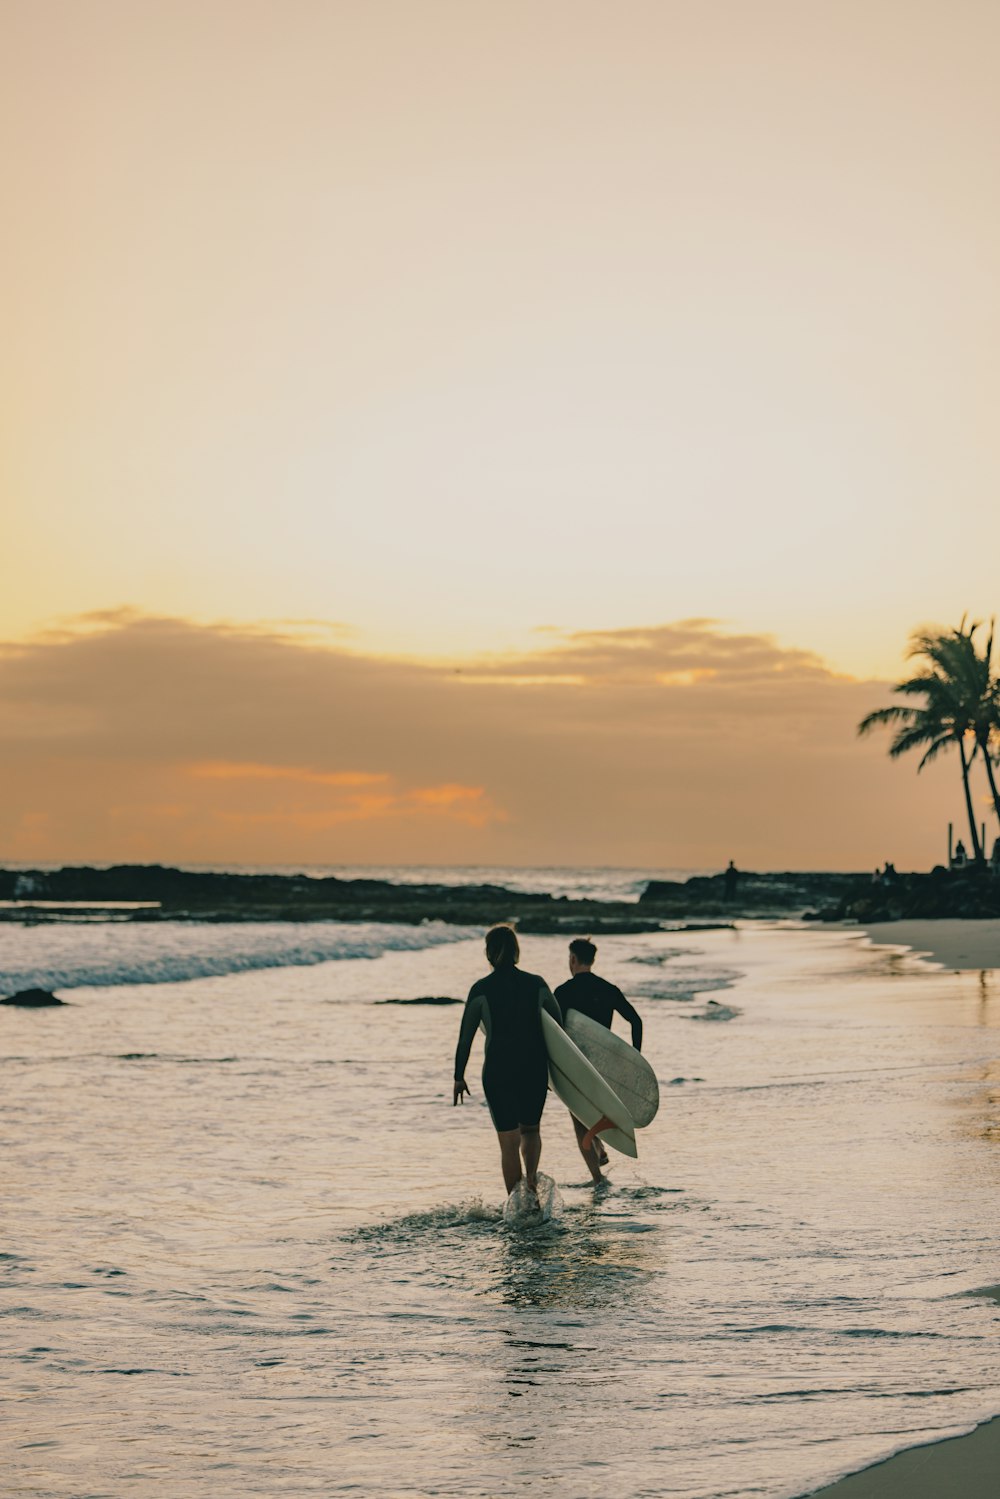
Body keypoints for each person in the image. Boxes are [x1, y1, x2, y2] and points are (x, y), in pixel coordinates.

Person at [452, 925, 562, 1198]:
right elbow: (558, 1029)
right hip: (533, 1067)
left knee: (508, 1141)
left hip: (498, 1070)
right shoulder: (537, 983)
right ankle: (533, 1185)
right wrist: (558, 1075)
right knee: (531, 1130)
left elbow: (465, 1038)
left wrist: (458, 1076)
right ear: (516, 951)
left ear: (488, 953)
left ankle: (517, 1204)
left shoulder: (480, 989)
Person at [554, 937, 643, 1182]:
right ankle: (600, 1148)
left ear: (572, 959)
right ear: (592, 960)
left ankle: (597, 1177)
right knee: (595, 1112)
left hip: (575, 1066)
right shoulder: (608, 989)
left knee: (580, 1120)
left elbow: (553, 1034)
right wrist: (636, 1058)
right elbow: (636, 1021)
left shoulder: (562, 992)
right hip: (603, 1068)